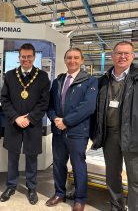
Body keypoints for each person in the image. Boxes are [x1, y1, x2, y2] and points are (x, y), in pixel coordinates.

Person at [46, 48, 98, 211]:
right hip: (59, 131)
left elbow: (88, 107)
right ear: (65, 59)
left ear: (82, 60)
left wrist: (66, 121)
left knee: (78, 165)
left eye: (76, 58)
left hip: (77, 131)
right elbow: (51, 106)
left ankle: (80, 199)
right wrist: (55, 119)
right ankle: (59, 193)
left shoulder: (90, 81)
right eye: (69, 58)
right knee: (59, 164)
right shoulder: (58, 81)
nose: (72, 61)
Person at [0, 43, 50, 205]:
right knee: (13, 155)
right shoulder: (9, 75)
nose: (26, 59)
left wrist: (29, 118)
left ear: (34, 57)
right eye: (23, 56)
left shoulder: (42, 77)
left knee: (31, 156)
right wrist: (16, 117)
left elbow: (44, 102)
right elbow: (5, 100)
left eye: (29, 56)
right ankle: (11, 185)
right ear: (19, 57)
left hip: (32, 124)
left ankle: (31, 187)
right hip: (14, 123)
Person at [92, 41, 138, 211]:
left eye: (127, 53)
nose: (122, 57)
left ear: (132, 56)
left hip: (133, 134)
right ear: (112, 55)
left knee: (135, 178)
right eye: (119, 53)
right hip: (110, 134)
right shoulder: (103, 80)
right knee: (112, 175)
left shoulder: (136, 77)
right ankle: (117, 206)